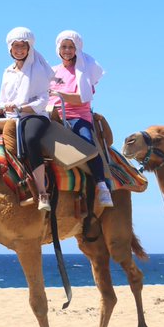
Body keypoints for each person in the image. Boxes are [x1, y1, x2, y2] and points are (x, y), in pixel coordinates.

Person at [0, 27, 56, 210]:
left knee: (30, 139)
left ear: (29, 48)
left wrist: (20, 107)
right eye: (16, 46)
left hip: (33, 114)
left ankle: (42, 192)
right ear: (10, 48)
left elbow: (42, 100)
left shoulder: (37, 70)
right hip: (10, 115)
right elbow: (4, 101)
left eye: (23, 46)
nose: (19, 50)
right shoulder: (8, 71)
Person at [48, 30, 112, 209]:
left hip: (76, 116)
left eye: (71, 47)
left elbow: (82, 98)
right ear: (58, 49)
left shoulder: (83, 72)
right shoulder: (52, 71)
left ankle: (102, 184)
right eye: (64, 46)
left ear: (77, 49)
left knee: (88, 144)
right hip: (52, 115)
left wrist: (60, 94)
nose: (67, 50)